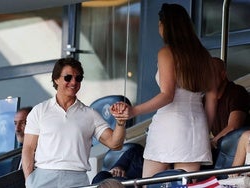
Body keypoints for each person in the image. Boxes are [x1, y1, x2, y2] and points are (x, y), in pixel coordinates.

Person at [114, 3, 218, 179]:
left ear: (164, 25)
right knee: (186, 184)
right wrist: (203, 129)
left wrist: (134, 111)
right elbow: (212, 98)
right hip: (195, 127)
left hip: (169, 124)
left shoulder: (167, 52)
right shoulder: (204, 55)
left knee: (151, 182)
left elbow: (167, 95)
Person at [22, 57, 129, 188]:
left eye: (78, 78)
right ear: (56, 79)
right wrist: (29, 181)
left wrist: (120, 123)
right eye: (68, 77)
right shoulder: (39, 110)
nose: (73, 82)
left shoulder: (90, 114)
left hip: (76, 179)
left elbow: (115, 144)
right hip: (42, 178)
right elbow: (28, 149)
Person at [209, 57, 250, 149]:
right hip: (219, 147)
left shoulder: (237, 92)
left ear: (223, 75)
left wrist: (212, 143)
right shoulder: (206, 99)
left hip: (237, 147)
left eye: (210, 74)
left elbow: (233, 127)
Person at [10, 106, 32, 172]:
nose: (17, 129)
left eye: (22, 123)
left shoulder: (44, 155)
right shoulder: (16, 157)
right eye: (15, 123)